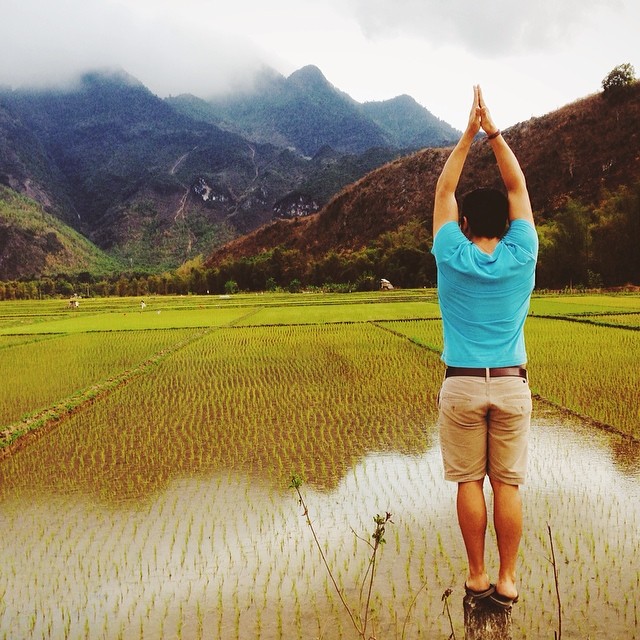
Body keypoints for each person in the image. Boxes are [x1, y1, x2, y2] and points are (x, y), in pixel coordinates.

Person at [431, 86, 538, 609]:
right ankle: (508, 579)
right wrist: (494, 133)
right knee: (507, 485)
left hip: (462, 383)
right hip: (513, 384)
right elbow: (516, 185)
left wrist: (466, 136)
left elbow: (444, 191)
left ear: (465, 224)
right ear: (510, 224)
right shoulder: (523, 253)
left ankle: (476, 578)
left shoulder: (451, 251)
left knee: (470, 481)